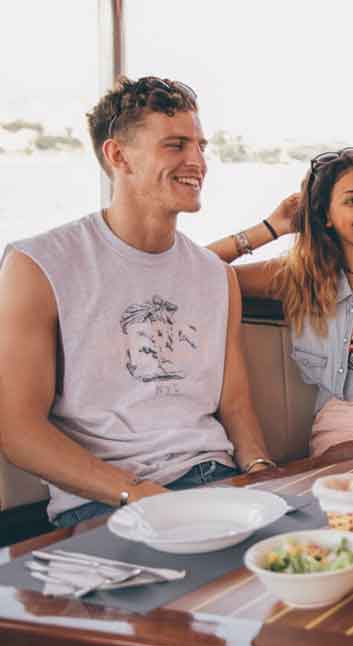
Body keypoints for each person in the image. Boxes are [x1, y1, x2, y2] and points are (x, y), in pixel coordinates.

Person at [0, 76, 275, 527]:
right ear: (118, 155)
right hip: (105, 502)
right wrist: (143, 494)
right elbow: (18, 432)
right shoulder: (38, 266)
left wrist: (263, 476)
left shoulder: (215, 276)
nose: (198, 161)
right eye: (176, 145)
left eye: (201, 145)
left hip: (220, 484)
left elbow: (236, 406)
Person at [214, 148, 353, 457]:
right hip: (347, 425)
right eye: (352, 201)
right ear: (326, 217)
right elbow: (193, 269)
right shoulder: (296, 276)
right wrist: (272, 227)